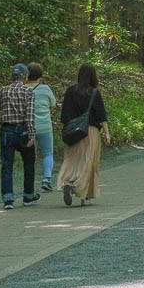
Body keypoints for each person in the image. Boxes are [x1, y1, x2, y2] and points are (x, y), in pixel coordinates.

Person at [57, 63, 111, 206]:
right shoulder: (94, 93)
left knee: (72, 160)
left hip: (73, 132)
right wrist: (107, 133)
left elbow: (64, 116)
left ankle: (67, 181)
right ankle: (82, 193)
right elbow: (101, 115)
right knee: (88, 162)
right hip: (91, 132)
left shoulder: (70, 91)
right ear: (94, 76)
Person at [0, 64, 39, 210]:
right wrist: (32, 134)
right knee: (29, 164)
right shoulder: (28, 92)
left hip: (7, 130)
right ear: (25, 76)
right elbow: (30, 116)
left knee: (7, 165)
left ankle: (8, 198)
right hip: (23, 130)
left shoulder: (3, 90)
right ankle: (28, 195)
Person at [28, 62, 58, 192]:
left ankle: (30, 181)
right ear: (40, 75)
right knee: (48, 153)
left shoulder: (23, 89)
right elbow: (53, 104)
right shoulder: (45, 89)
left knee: (30, 155)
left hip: (29, 127)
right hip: (45, 126)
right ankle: (46, 179)